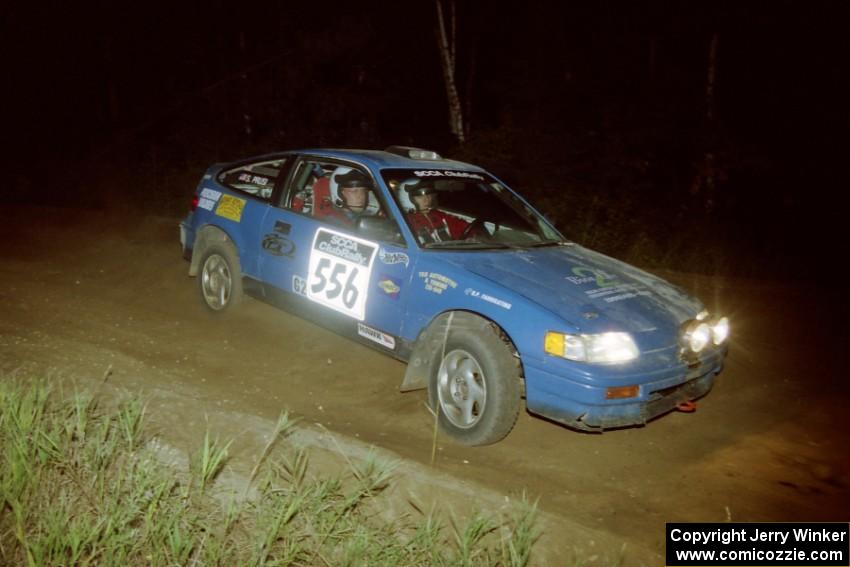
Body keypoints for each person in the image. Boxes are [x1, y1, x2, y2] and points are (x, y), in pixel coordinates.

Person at [403, 181, 469, 242]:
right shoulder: (406, 221)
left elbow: (465, 227)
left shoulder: (440, 216)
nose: (426, 200)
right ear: (412, 200)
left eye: (428, 196)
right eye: (420, 197)